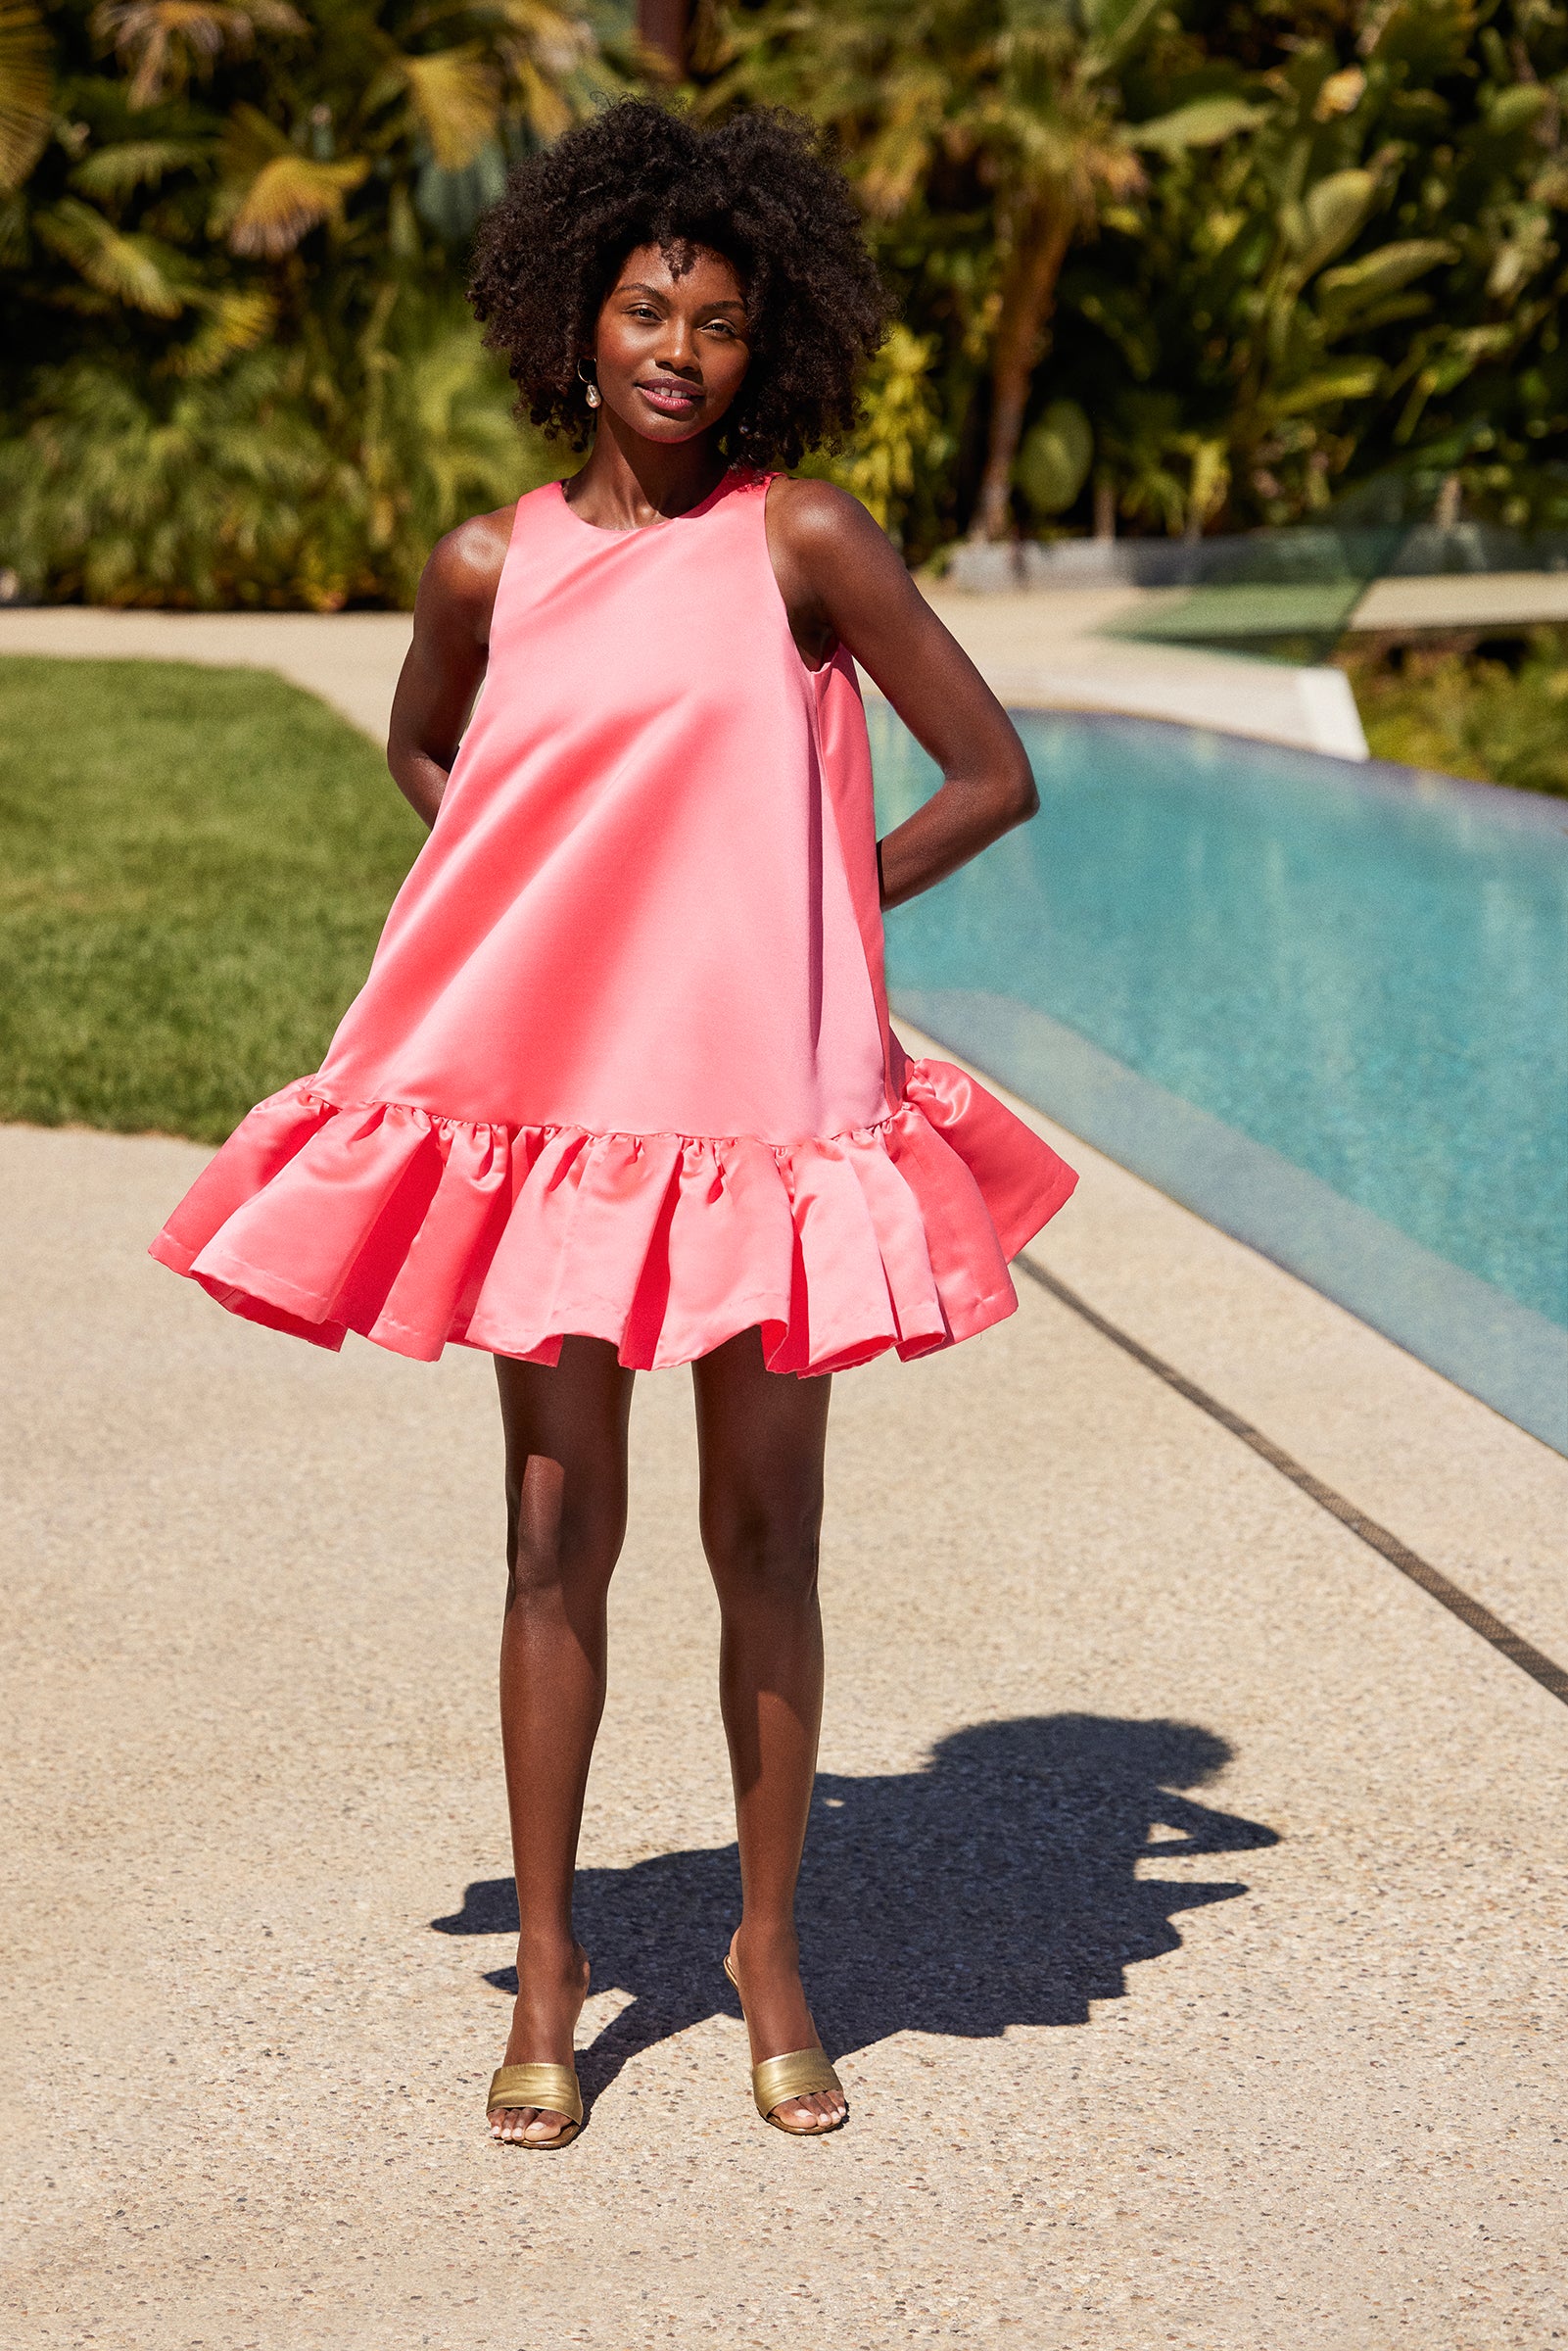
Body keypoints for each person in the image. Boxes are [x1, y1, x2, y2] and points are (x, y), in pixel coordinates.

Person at [150, 99, 1076, 2146]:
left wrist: (813, 902)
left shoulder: (804, 540)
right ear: (577, 322)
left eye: (723, 320)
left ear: (772, 346)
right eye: (648, 307)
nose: (681, 346)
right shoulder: (495, 558)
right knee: (555, 1530)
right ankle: (556, 1967)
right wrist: (540, 919)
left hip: (762, 1123)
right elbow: (426, 748)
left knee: (770, 1539)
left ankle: (768, 1949)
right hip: (564, 1121)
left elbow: (991, 771)